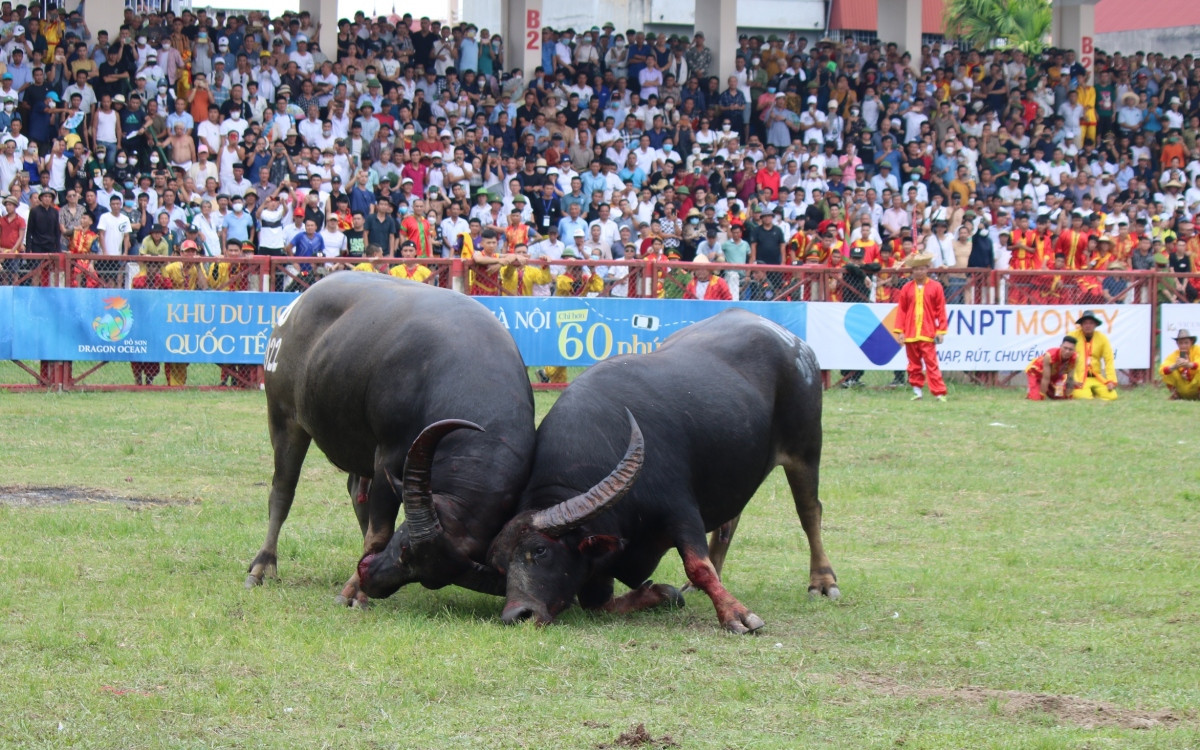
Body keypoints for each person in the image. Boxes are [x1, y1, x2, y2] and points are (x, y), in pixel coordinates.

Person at [891, 254, 948, 402]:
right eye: (916, 269)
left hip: (928, 332)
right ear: (912, 271)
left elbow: (940, 310)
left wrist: (940, 331)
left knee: (931, 363)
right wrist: (900, 331)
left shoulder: (936, 287)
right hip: (910, 333)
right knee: (913, 364)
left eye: (922, 269)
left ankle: (938, 393)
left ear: (927, 269)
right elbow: (901, 310)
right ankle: (917, 391)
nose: (919, 272)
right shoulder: (906, 288)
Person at [1070, 310, 1118, 401]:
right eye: (1085, 323)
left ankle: (1094, 392)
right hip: (1079, 377)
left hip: (1096, 376)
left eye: (1091, 323)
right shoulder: (1072, 336)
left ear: (1095, 325)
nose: (1088, 325)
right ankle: (1090, 394)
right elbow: (1066, 360)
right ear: (1081, 325)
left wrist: (1111, 380)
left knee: (1112, 396)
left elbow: (1109, 360)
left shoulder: (1102, 338)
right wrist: (1072, 379)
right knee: (1083, 396)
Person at [1025, 336, 1078, 400]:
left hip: (1055, 376)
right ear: (1061, 346)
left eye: (1070, 349)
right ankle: (1033, 391)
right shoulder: (1050, 355)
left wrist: (1068, 396)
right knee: (1037, 398)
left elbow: (1070, 378)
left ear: (1074, 350)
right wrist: (1042, 396)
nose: (1067, 351)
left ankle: (1045, 390)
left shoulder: (1074, 357)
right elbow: (1045, 378)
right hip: (1036, 373)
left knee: (1060, 397)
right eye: (1065, 348)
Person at [1160, 329, 1200, 401]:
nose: (1183, 346)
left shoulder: (1197, 349)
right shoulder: (1175, 354)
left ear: (1191, 342)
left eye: (1186, 343)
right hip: (1182, 388)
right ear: (1177, 344)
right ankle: (1175, 394)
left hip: (1196, 388)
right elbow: (1162, 369)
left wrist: (1189, 365)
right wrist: (1175, 366)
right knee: (1169, 370)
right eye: (1181, 343)